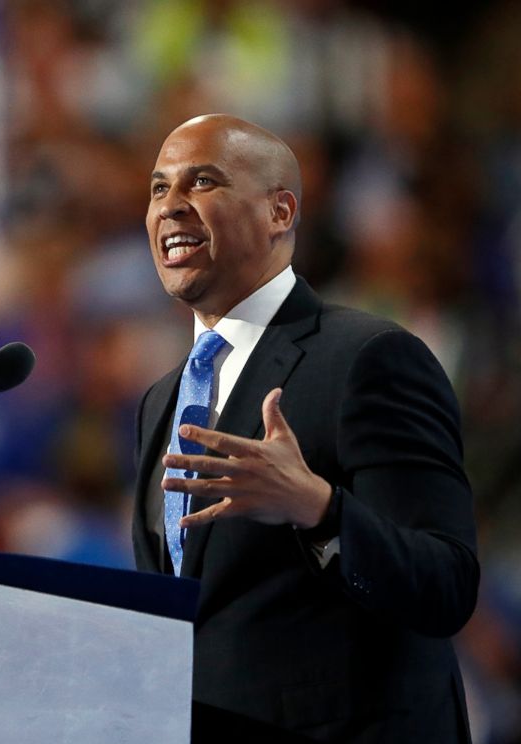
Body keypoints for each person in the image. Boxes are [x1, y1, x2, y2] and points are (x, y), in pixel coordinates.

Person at [133, 114, 478, 743]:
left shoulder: (368, 357)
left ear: (280, 212)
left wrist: (318, 508)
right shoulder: (162, 399)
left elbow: (447, 586)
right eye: (159, 189)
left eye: (201, 182)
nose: (171, 207)